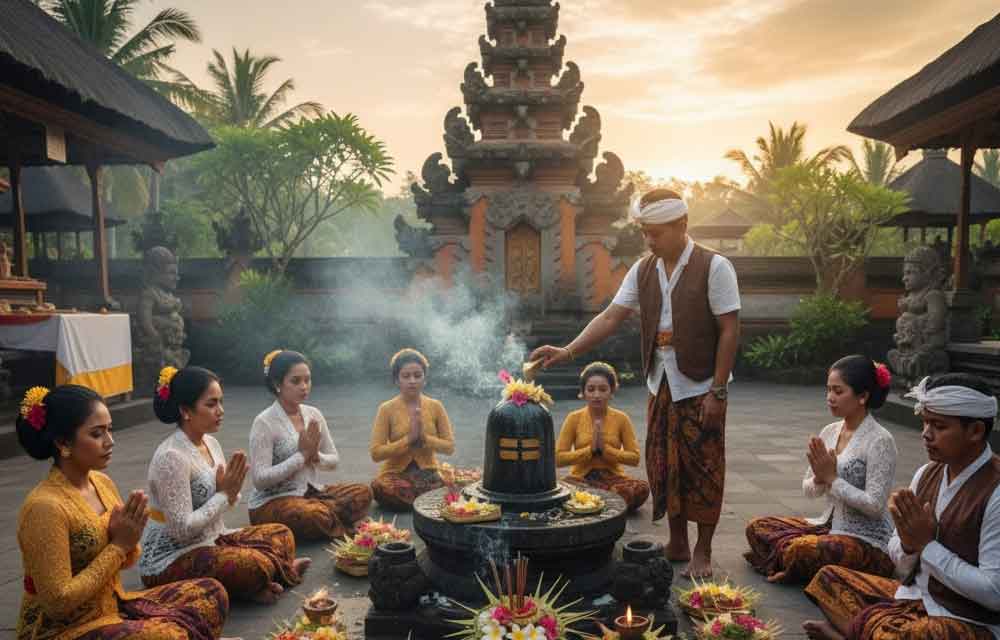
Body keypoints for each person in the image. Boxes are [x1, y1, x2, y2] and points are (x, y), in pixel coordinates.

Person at [531, 188, 740, 578]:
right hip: (660, 381)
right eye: (645, 232)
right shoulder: (644, 269)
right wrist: (568, 351)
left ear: (682, 225)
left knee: (704, 466)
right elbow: (611, 316)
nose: (649, 240)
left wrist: (719, 388)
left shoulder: (715, 267)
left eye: (656, 232)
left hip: (701, 385)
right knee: (663, 462)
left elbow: (729, 329)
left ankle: (703, 550)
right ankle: (677, 541)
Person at [15, 384, 228, 640]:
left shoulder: (101, 483)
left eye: (110, 430)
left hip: (113, 606)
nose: (110, 441)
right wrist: (118, 545)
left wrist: (129, 538)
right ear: (63, 443)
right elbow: (58, 601)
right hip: (65, 629)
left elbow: (129, 559)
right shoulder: (45, 506)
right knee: (168, 635)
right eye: (97, 434)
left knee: (210, 592)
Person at [803, 373, 1000, 640]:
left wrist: (927, 546)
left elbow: (994, 593)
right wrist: (908, 545)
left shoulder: (995, 490)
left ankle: (851, 633)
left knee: (906, 634)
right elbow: (898, 557)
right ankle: (863, 631)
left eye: (939, 427)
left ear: (976, 431)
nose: (926, 434)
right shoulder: (926, 473)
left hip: (965, 619)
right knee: (827, 580)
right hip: (911, 598)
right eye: (925, 423)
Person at [139, 366, 309, 604]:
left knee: (281, 534)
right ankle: (270, 575)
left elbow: (224, 499)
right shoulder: (172, 456)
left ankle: (268, 576)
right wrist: (223, 494)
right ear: (186, 411)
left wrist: (229, 492)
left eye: (221, 402)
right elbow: (181, 530)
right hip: (172, 557)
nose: (221, 411)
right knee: (251, 564)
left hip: (212, 539)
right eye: (211, 404)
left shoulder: (211, 442)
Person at [745, 355, 897, 583]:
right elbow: (808, 490)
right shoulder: (830, 431)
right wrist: (818, 478)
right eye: (828, 390)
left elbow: (875, 506)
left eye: (838, 391)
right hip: (827, 525)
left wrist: (833, 479)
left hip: (866, 540)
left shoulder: (880, 441)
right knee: (757, 527)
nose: (830, 398)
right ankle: (792, 562)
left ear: (863, 396)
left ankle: (790, 562)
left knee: (801, 549)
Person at [248, 350, 372, 541]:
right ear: (277, 384)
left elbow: (333, 460)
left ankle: (329, 516)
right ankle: (340, 521)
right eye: (296, 381)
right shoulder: (264, 422)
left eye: (307, 380)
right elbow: (260, 479)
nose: (304, 387)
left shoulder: (313, 414)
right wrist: (301, 456)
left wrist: (315, 457)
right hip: (273, 502)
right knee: (313, 515)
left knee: (363, 492)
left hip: (311, 493)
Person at [556, 361, 649, 512]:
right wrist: (590, 450)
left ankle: (592, 502)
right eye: (591, 389)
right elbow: (559, 459)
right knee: (561, 489)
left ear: (612, 391)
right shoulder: (573, 418)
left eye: (603, 389)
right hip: (581, 479)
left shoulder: (621, 418)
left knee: (641, 488)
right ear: (583, 392)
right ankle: (604, 503)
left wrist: (605, 450)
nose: (596, 395)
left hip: (613, 479)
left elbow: (634, 458)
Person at [369, 349, 456, 511]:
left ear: (425, 379)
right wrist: (409, 439)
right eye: (406, 376)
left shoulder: (436, 406)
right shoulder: (386, 409)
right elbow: (376, 453)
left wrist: (424, 438)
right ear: (396, 380)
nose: (412, 381)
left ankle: (419, 499)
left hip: (427, 474)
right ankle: (424, 501)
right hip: (395, 475)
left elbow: (449, 447)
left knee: (448, 485)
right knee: (380, 488)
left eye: (417, 375)